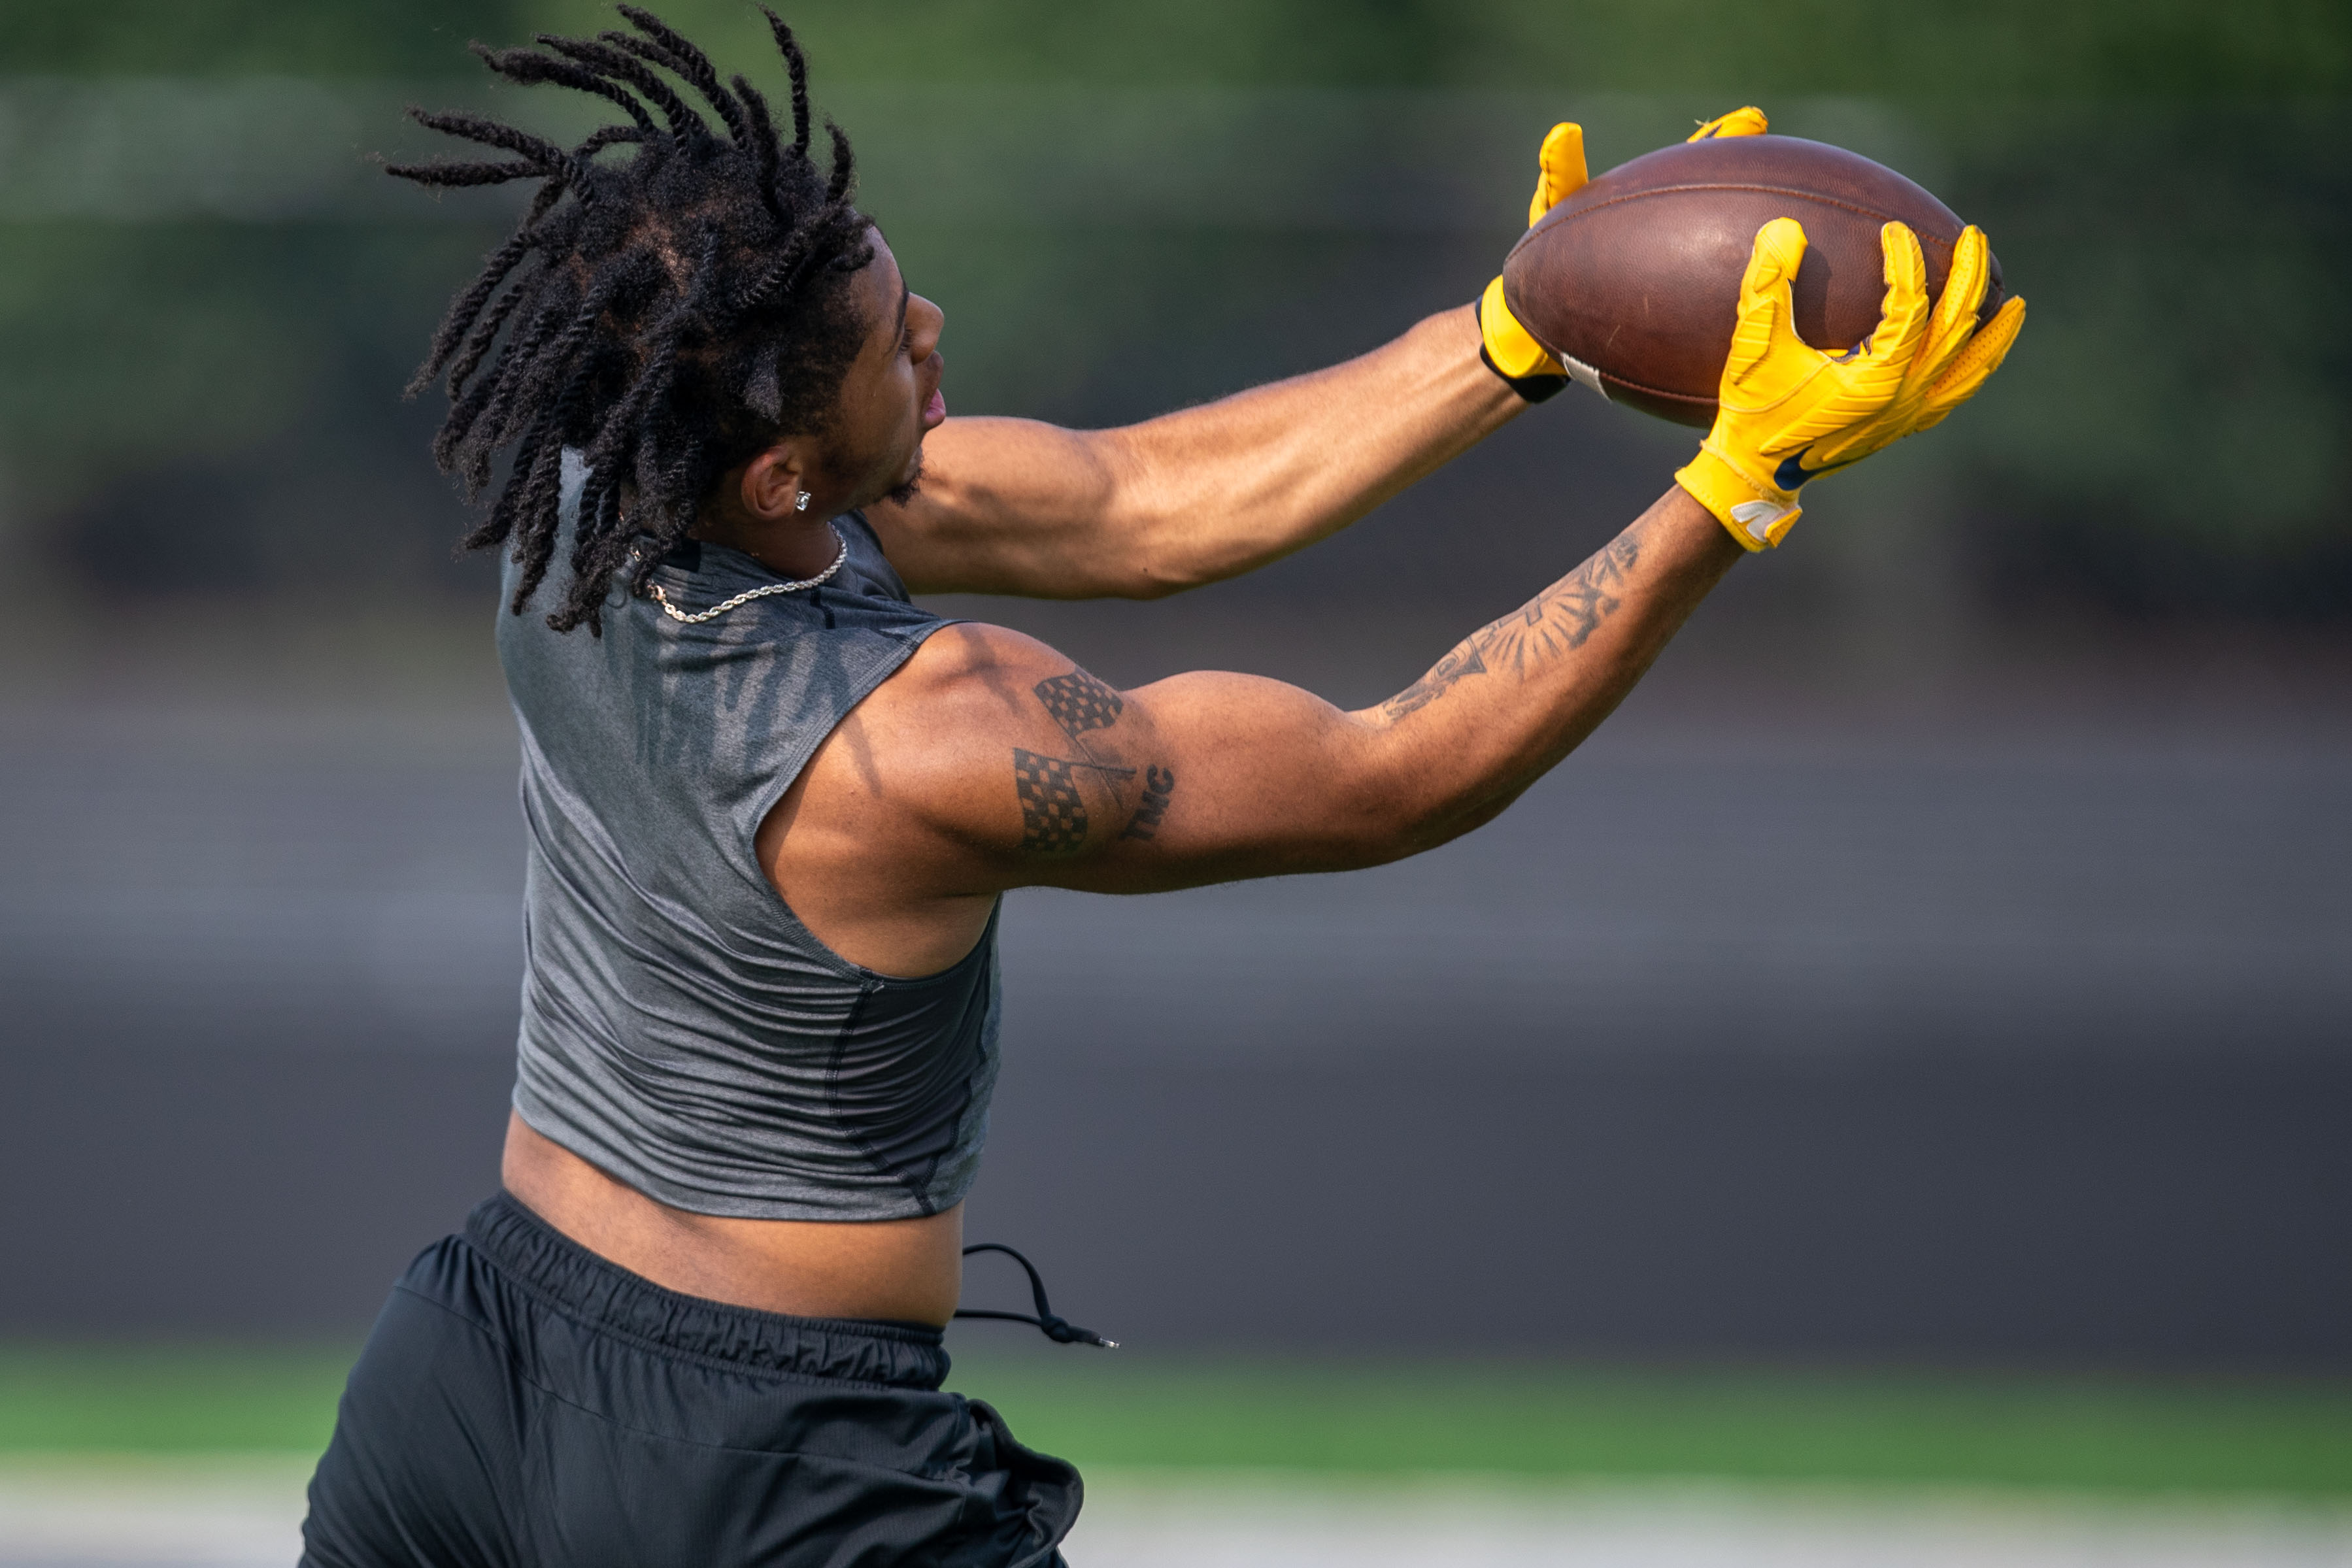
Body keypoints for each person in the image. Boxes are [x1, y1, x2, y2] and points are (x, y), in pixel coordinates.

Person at [299, 8, 2023, 1566]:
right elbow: (1390, 771)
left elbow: (1138, 505)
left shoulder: (589, 504)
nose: (936, 336)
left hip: (466, 1375)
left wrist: (1513, 335)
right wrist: (1729, 490)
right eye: (900, 342)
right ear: (776, 465)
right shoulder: (930, 742)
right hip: (772, 1459)